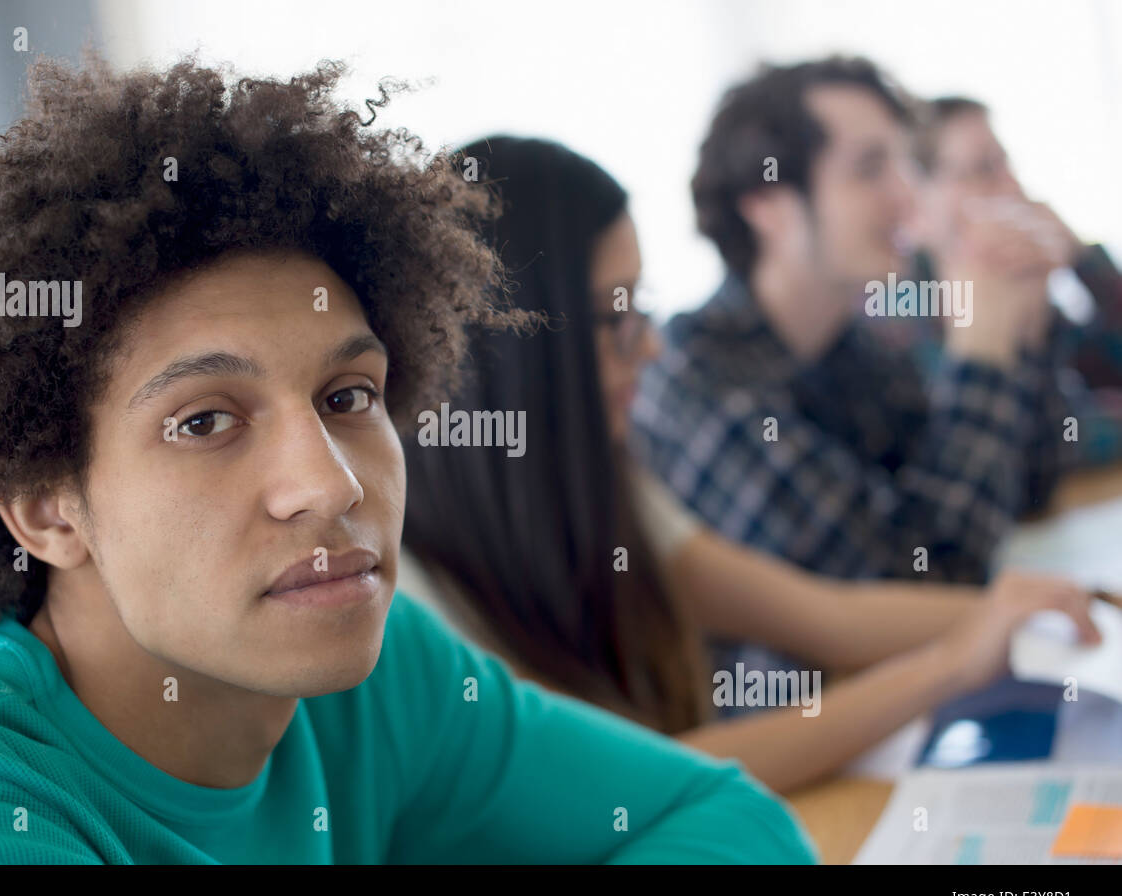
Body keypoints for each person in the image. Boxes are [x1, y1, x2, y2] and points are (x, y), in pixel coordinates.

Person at [0, 56, 817, 865]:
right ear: (45, 507)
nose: (332, 483)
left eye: (347, 399)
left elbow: (732, 823)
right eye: (205, 421)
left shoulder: (374, 669)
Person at [399, 136, 1102, 794]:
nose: (648, 348)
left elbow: (829, 610)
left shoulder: (614, 478)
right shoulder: (407, 593)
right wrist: (950, 662)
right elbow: (616, 780)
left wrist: (1043, 608)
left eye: (641, 307)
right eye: (616, 318)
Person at [632, 56, 1074, 585]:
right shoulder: (697, 379)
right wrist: (978, 346)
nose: (910, 196)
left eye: (905, 164)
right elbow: (918, 577)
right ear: (768, 203)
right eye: (869, 168)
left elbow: (1027, 487)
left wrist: (1021, 322)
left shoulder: (855, 348)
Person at [898, 95, 1122, 466]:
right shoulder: (898, 309)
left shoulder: (1030, 294)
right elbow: (1002, 450)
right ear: (918, 203)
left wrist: (1082, 258)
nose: (1012, 185)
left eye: (1006, 162)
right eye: (984, 168)